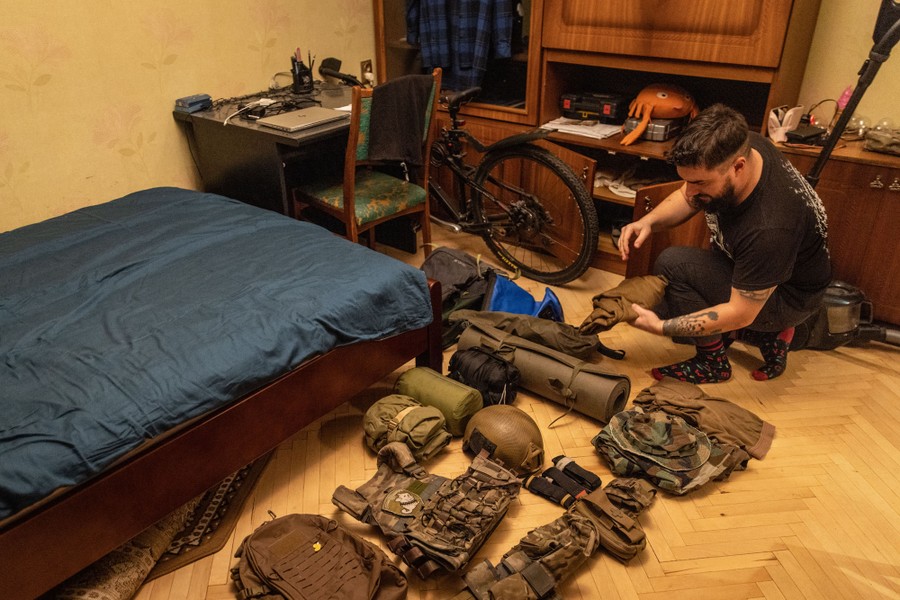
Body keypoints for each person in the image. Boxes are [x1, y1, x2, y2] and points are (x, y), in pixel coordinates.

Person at [617, 103, 831, 383]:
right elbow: (687, 195)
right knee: (676, 304)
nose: (691, 193)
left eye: (700, 184)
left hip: (787, 299)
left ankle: (713, 363)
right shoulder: (741, 143)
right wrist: (648, 222)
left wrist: (661, 327)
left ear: (737, 167)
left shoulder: (770, 228)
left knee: (673, 267)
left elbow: (740, 312)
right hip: (770, 273)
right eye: (687, 181)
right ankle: (766, 333)